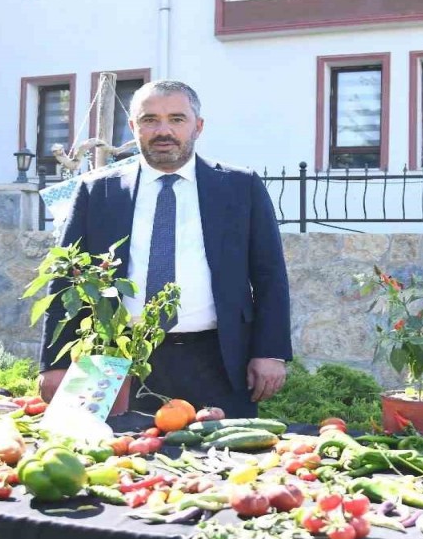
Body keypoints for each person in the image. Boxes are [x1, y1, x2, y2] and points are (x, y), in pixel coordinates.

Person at [38, 80, 291, 418]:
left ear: (197, 127)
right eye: (149, 120)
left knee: (224, 465)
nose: (163, 130)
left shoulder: (239, 187)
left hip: (218, 359)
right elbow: (67, 279)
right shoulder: (97, 192)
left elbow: (269, 274)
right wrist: (54, 363)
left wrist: (271, 352)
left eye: (176, 119)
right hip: (118, 360)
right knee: (122, 462)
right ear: (133, 127)